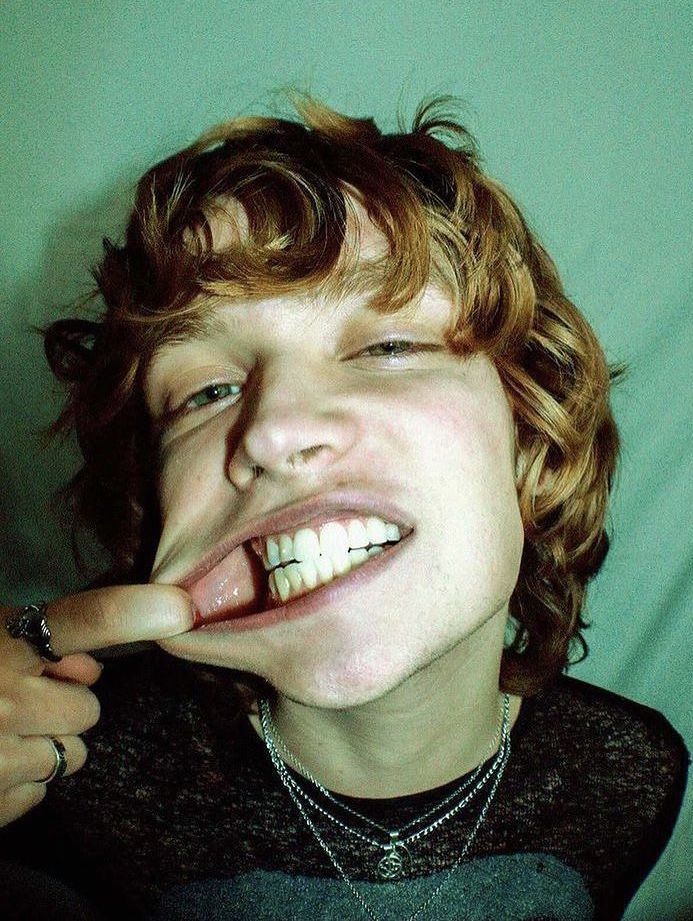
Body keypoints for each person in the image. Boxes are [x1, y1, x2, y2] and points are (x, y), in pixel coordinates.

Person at [0, 96, 687, 921]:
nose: (275, 429)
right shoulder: (58, 785)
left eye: (387, 345)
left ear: (529, 442)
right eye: (205, 391)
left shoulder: (629, 774)